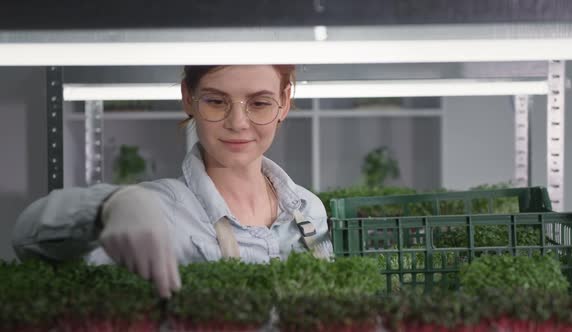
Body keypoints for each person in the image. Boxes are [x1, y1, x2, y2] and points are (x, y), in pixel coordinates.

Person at [12, 65, 333, 298]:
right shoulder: (159, 210)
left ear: (285, 102)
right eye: (216, 101)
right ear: (188, 98)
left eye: (260, 103)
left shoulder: (306, 210)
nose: (237, 123)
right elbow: (28, 236)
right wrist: (107, 207)